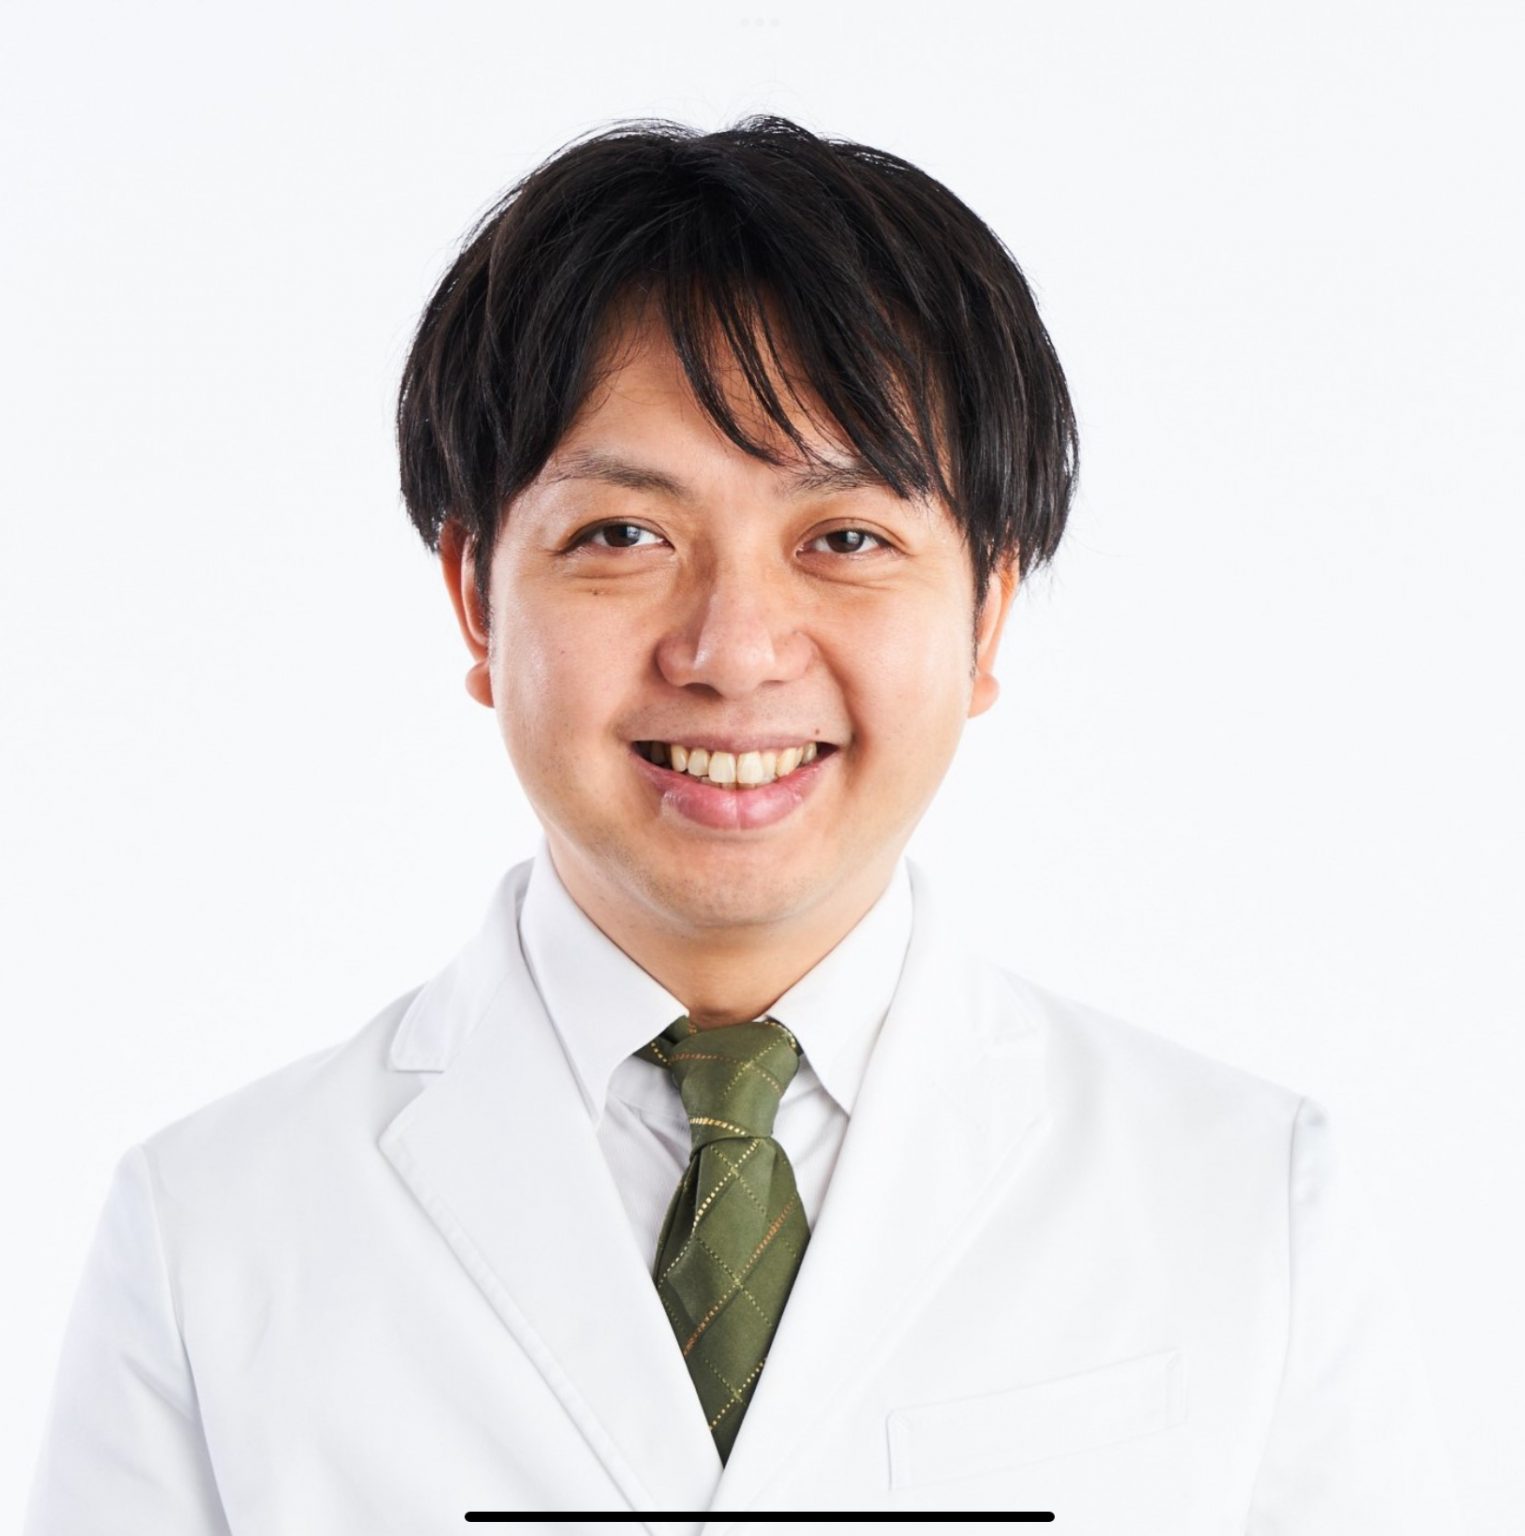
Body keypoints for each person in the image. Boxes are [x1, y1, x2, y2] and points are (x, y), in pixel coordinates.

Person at [26, 116, 1459, 1532]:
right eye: (623, 536)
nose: (733, 650)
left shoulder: (1244, 1200)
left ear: (986, 614)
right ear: (476, 600)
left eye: (845, 539)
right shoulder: (210, 1235)